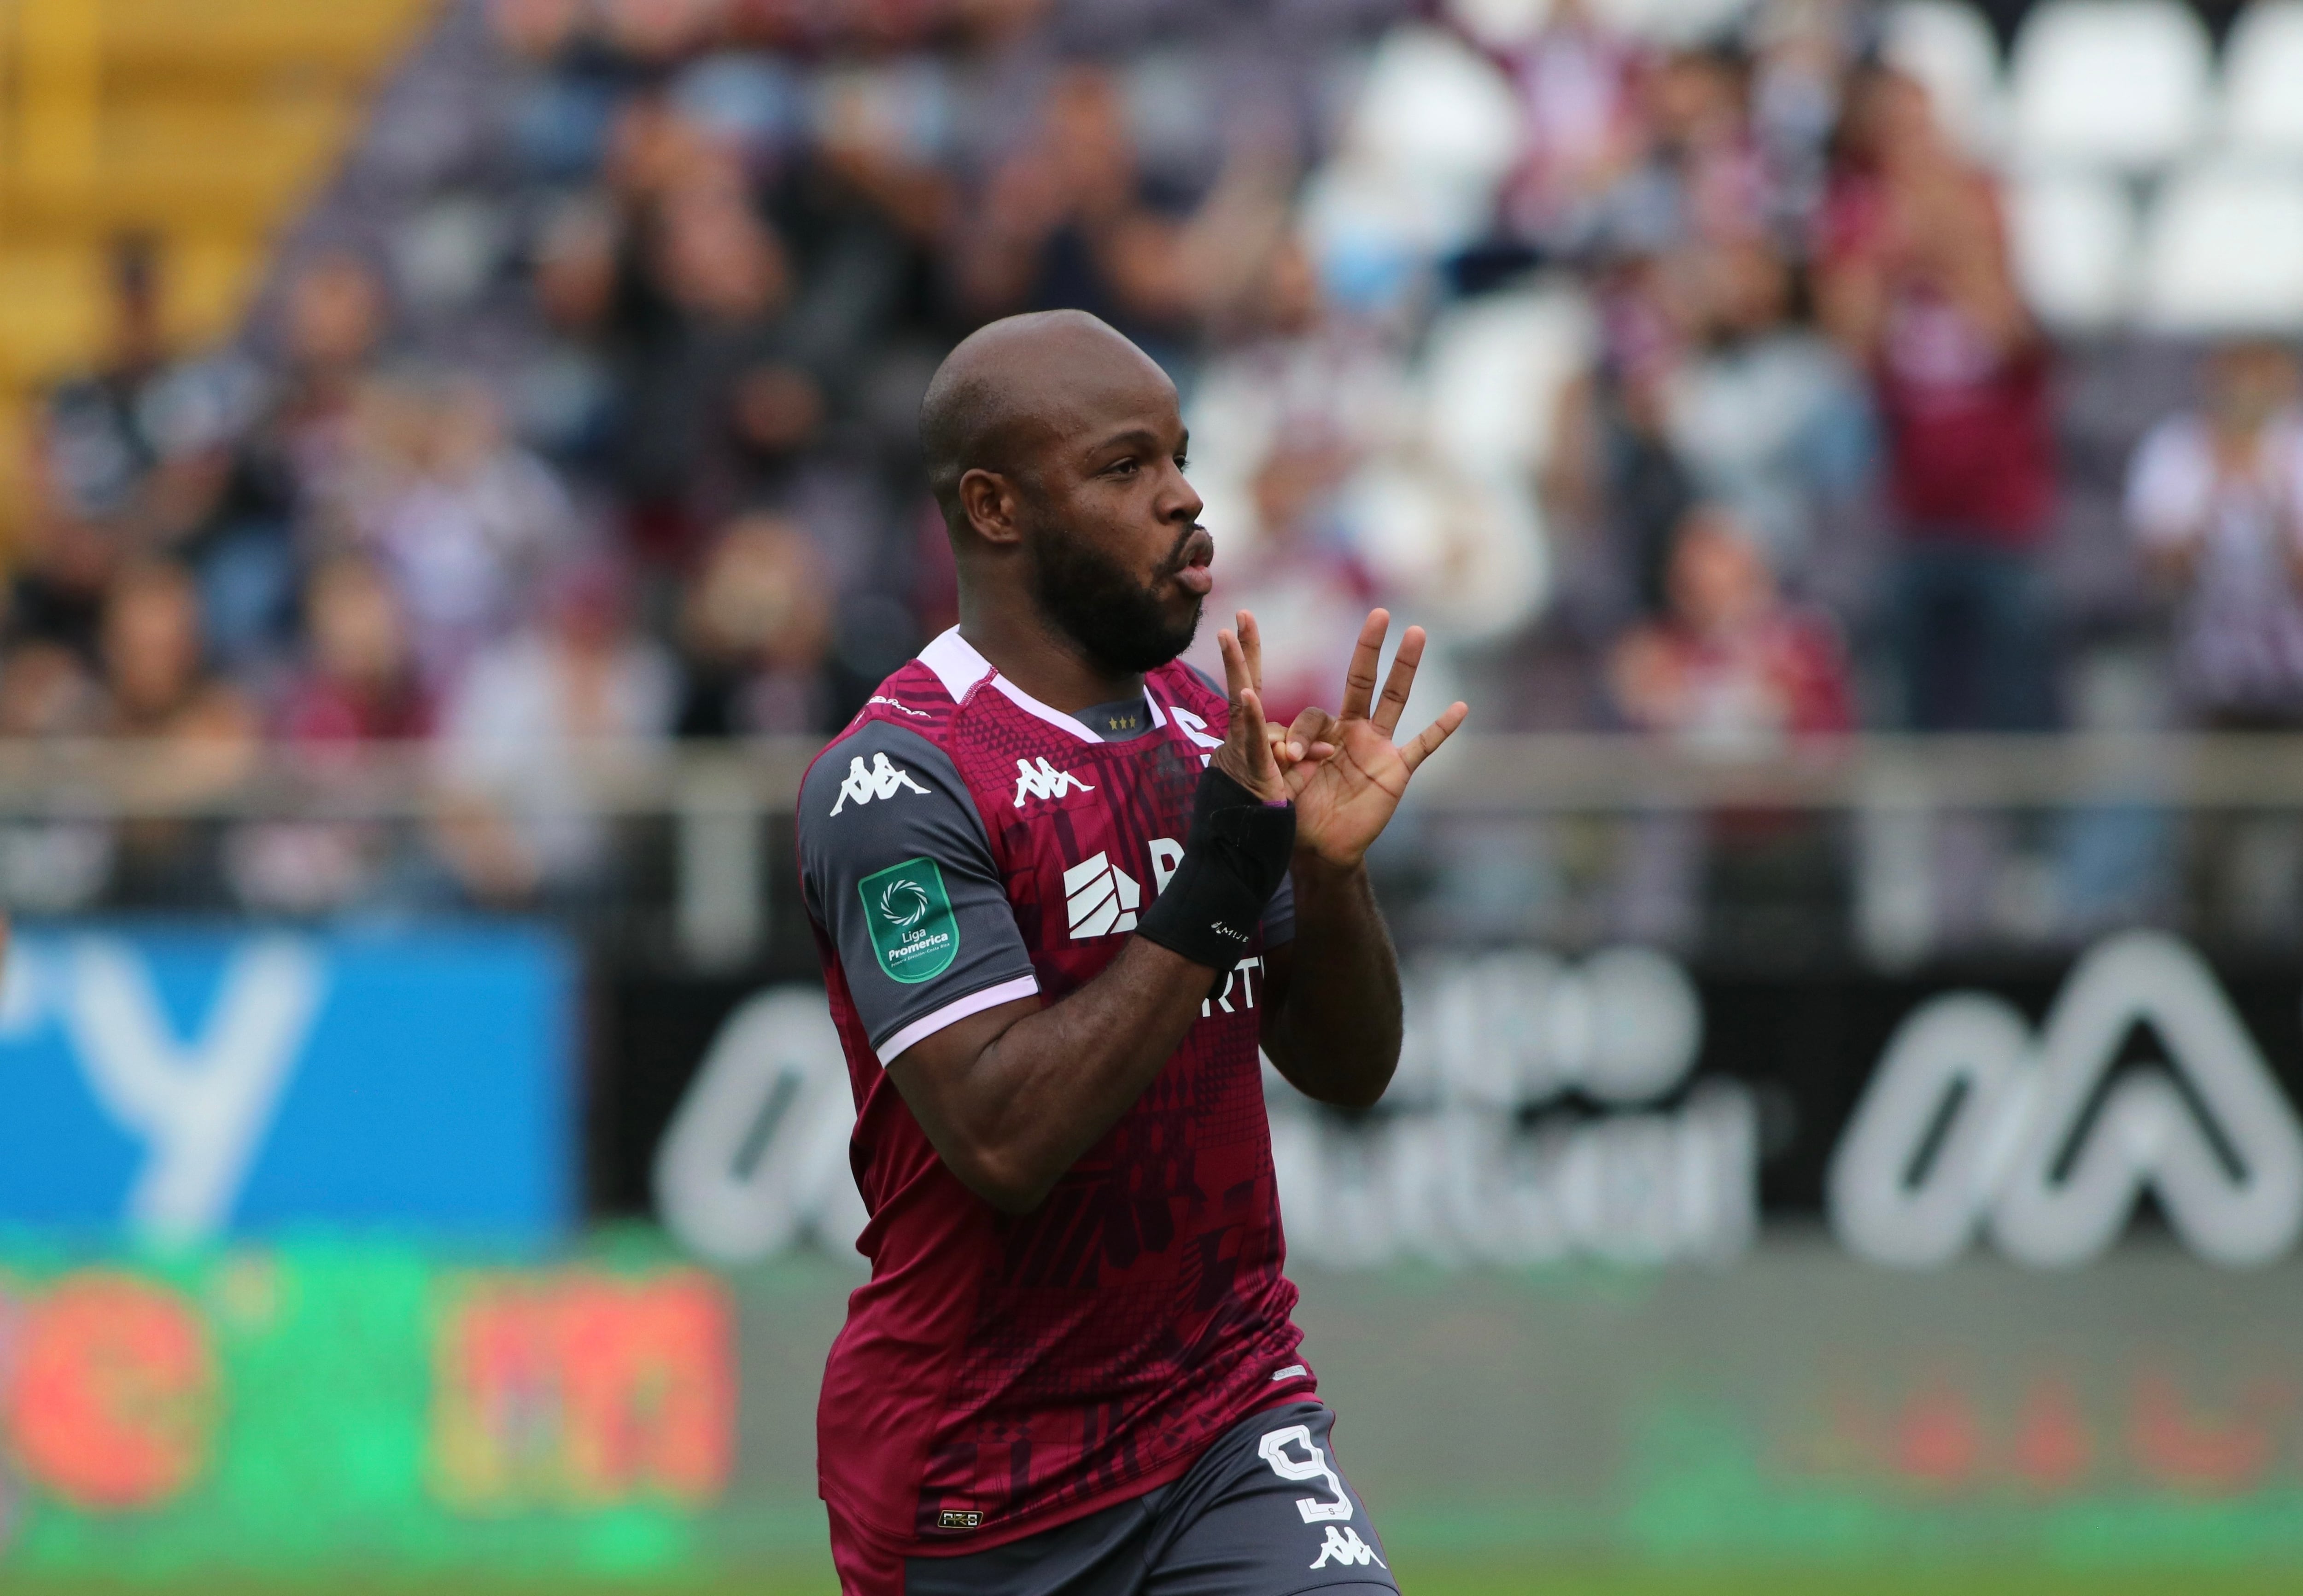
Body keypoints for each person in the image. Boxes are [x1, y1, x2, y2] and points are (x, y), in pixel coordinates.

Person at [795, 310, 1465, 1596]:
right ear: (995, 508)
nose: (1184, 499)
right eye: (1124, 468)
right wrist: (1217, 883)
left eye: (1178, 455)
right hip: (979, 1478)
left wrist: (1324, 877)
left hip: (1228, 1416)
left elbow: (1346, 1066)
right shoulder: (899, 782)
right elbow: (1001, 1138)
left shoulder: (1203, 730)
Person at [2126, 340, 2303, 729]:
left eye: (2260, 367)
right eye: (2236, 367)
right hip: (2204, 673)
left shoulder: (2295, 450)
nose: (2247, 385)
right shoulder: (2174, 446)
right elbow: (2157, 572)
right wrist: (2217, 500)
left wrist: (2272, 503)